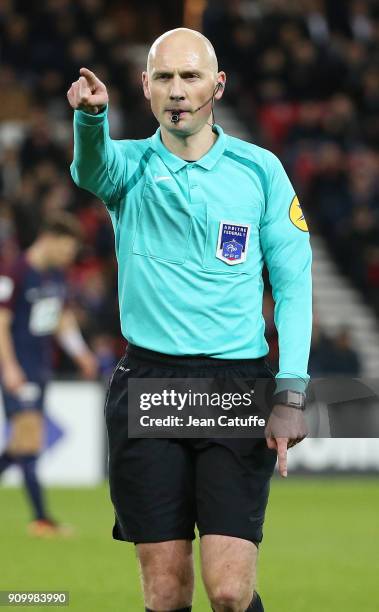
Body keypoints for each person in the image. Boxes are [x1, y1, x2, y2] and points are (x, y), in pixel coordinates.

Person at [68, 28, 312, 612]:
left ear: (217, 86)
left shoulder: (260, 171)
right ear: (146, 87)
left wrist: (294, 389)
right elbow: (91, 168)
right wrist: (91, 121)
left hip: (236, 386)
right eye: (166, 78)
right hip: (149, 386)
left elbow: (295, 284)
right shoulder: (127, 167)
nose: (179, 91)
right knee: (165, 590)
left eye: (192, 76)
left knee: (229, 591)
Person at [0, 213, 98, 537]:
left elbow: (62, 319)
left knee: (20, 446)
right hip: (20, 369)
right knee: (28, 442)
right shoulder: (16, 272)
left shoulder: (55, 275)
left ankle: (42, 518)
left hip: (40, 369)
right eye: (68, 249)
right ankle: (41, 518)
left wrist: (81, 352)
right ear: (50, 238)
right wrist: (9, 366)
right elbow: (1, 322)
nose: (70, 256)